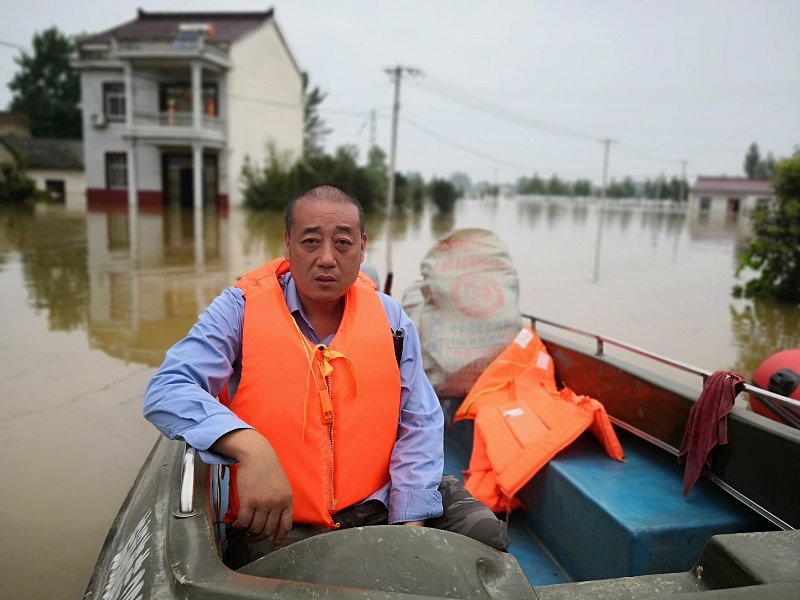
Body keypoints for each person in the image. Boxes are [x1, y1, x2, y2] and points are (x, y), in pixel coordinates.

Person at [143, 185, 508, 568]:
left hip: (381, 500)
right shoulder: (239, 309)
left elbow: (420, 422)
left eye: (343, 243)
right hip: (282, 516)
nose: (327, 259)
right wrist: (250, 446)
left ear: (362, 248)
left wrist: (407, 525)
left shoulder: (391, 319)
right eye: (311, 242)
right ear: (287, 245)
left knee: (486, 536)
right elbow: (168, 389)